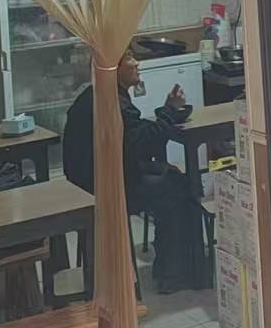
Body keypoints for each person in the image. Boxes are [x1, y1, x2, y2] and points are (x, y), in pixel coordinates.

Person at [63, 62, 209, 293]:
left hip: (90, 183)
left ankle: (175, 266)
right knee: (177, 187)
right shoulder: (112, 101)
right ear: (114, 68)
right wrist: (169, 112)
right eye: (129, 56)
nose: (136, 62)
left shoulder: (99, 94)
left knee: (169, 175)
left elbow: (134, 139)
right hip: (106, 189)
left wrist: (165, 114)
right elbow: (143, 145)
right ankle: (173, 273)